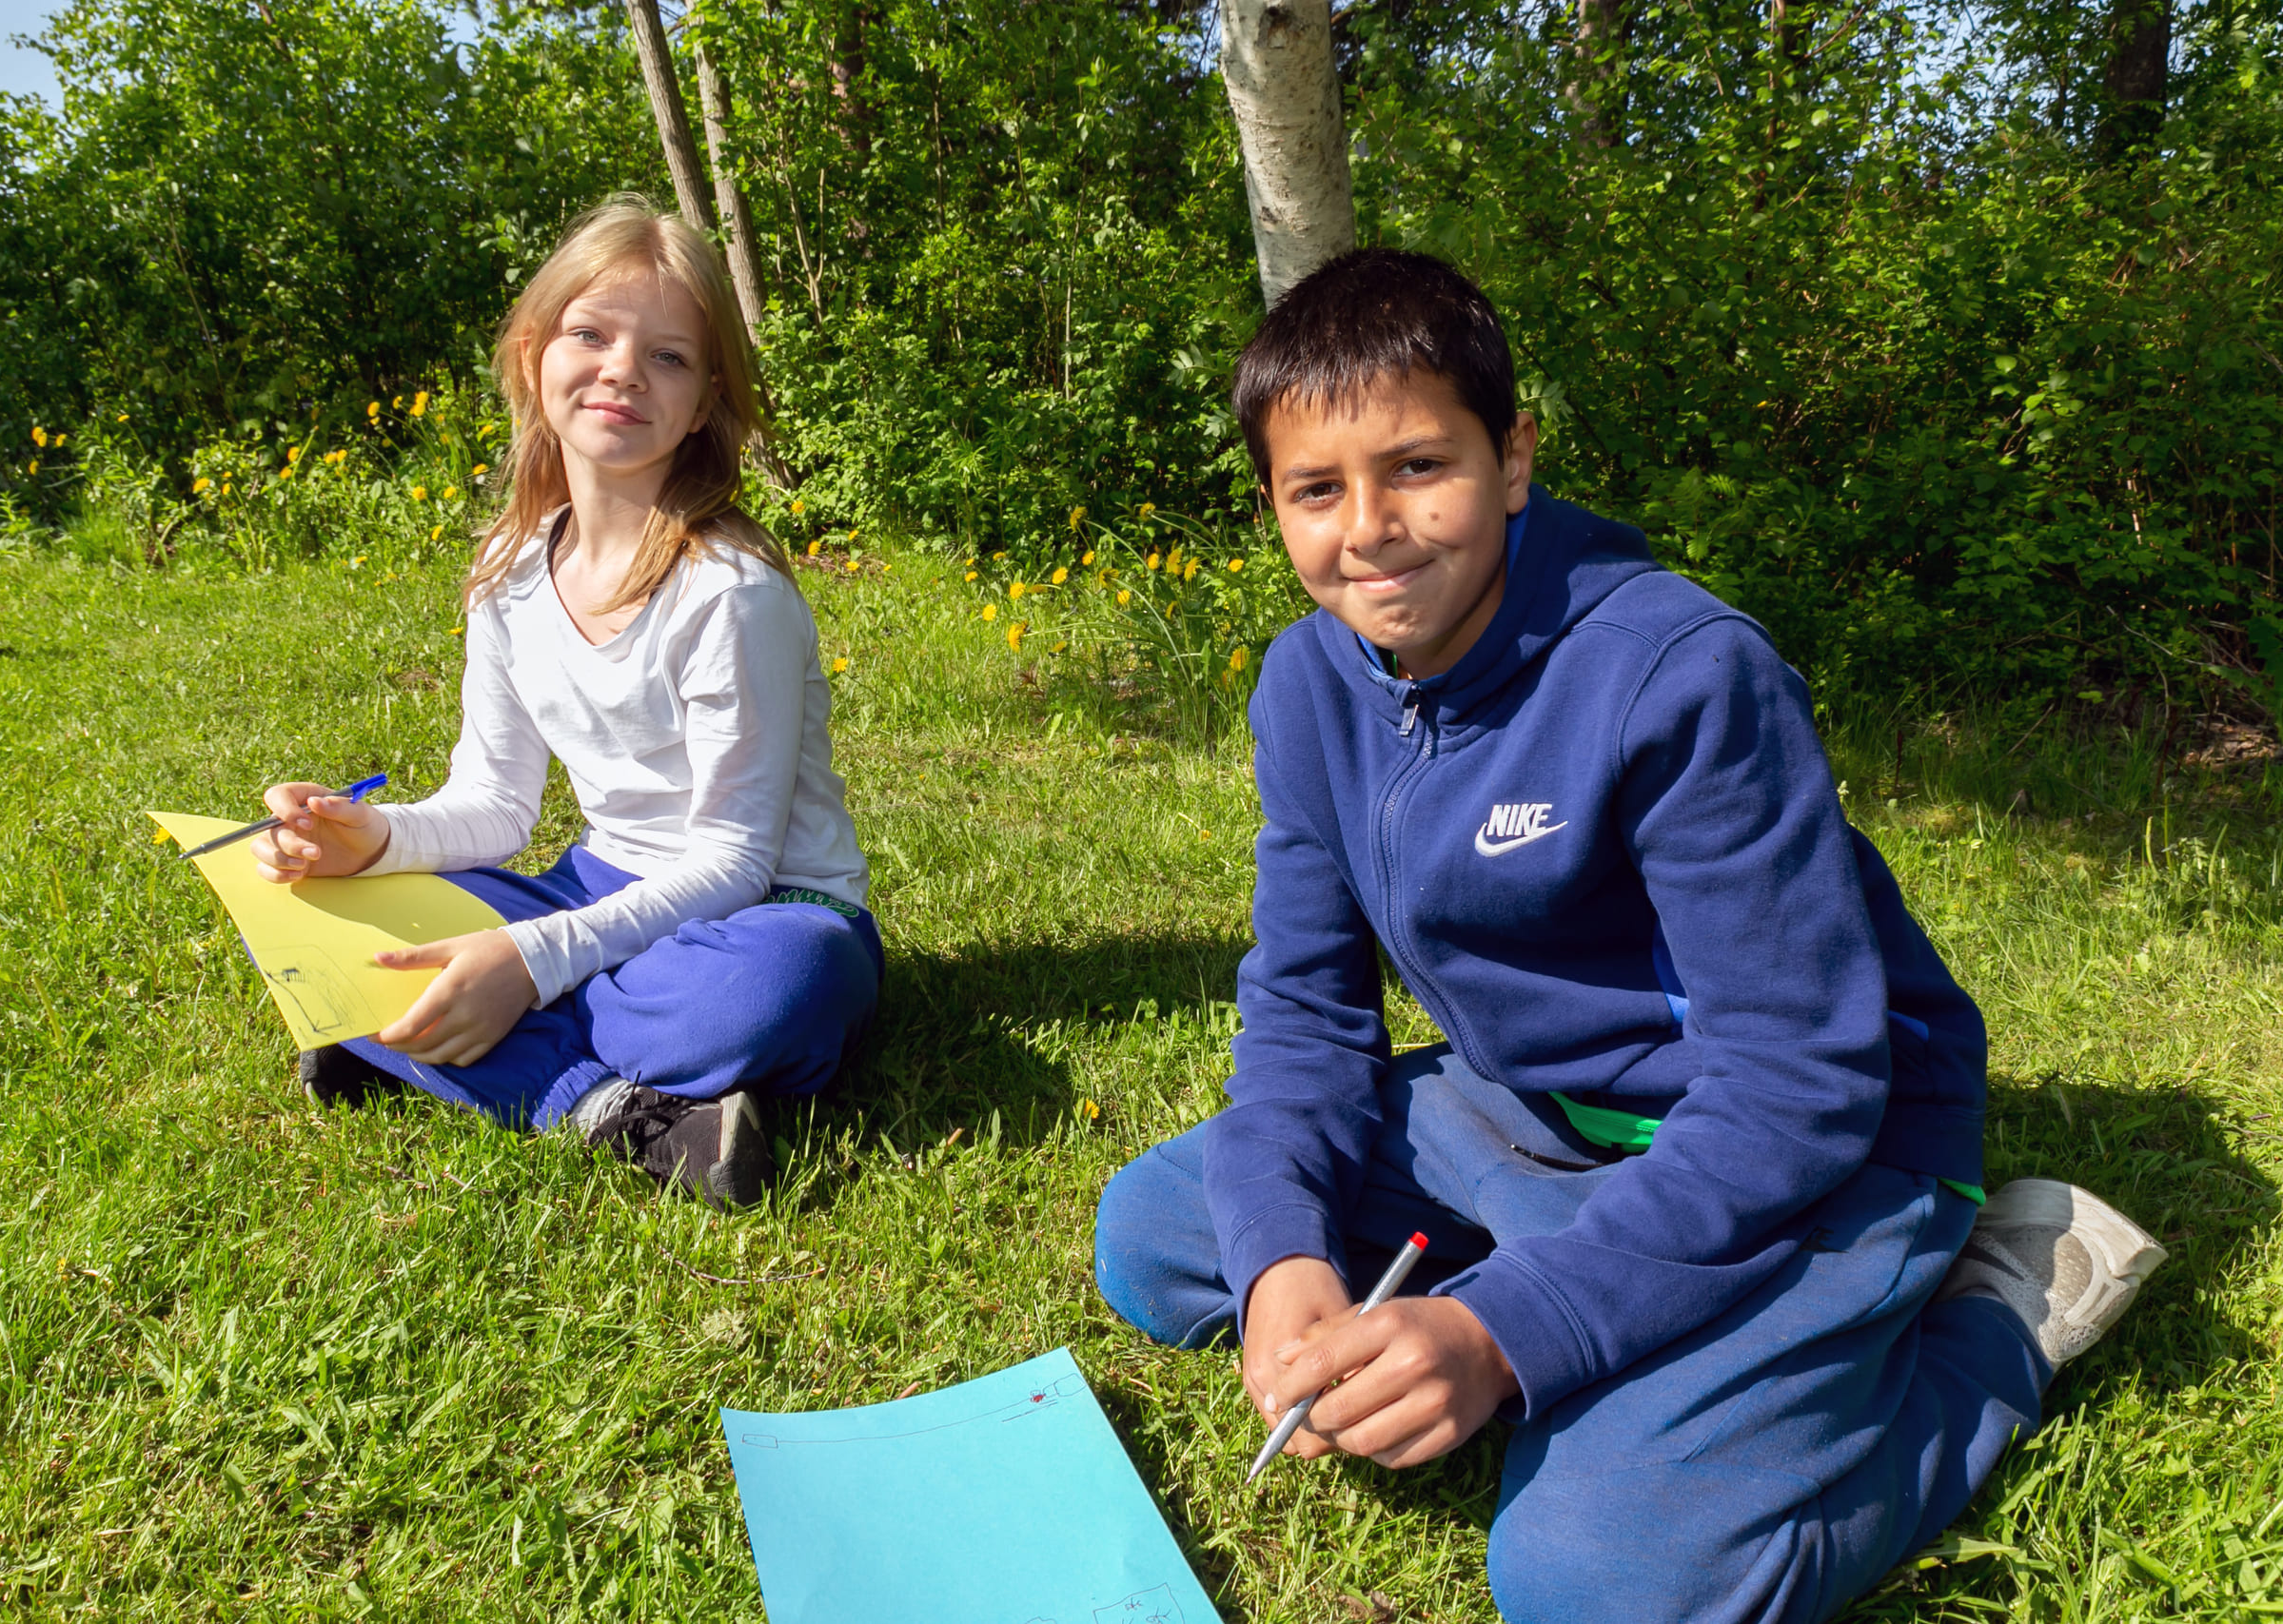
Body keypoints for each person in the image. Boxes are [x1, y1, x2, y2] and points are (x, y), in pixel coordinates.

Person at [1090, 248, 2166, 1622]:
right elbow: (1306, 1014)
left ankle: (1997, 1317)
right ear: (1275, 507)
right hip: (1528, 1113)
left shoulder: (1684, 671)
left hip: (1811, 1156)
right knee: (1167, 1237)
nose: (1369, 527)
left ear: (1514, 455)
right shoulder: (1307, 683)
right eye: (1317, 489)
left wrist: (1501, 1330)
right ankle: (1551, 1283)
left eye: (1420, 465)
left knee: (1598, 1580)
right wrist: (1289, 1271)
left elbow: (1798, 1088)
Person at [249, 196, 877, 1209]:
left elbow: (734, 860)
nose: (624, 370)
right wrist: (367, 841)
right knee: (295, 910)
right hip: (594, 883)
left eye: (669, 357)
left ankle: (434, 1037)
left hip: (762, 912)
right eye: (592, 334)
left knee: (772, 992)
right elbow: (495, 803)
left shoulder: (731, 591)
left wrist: (528, 960)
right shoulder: (508, 572)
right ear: (535, 353)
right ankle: (609, 1105)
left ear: (708, 398)